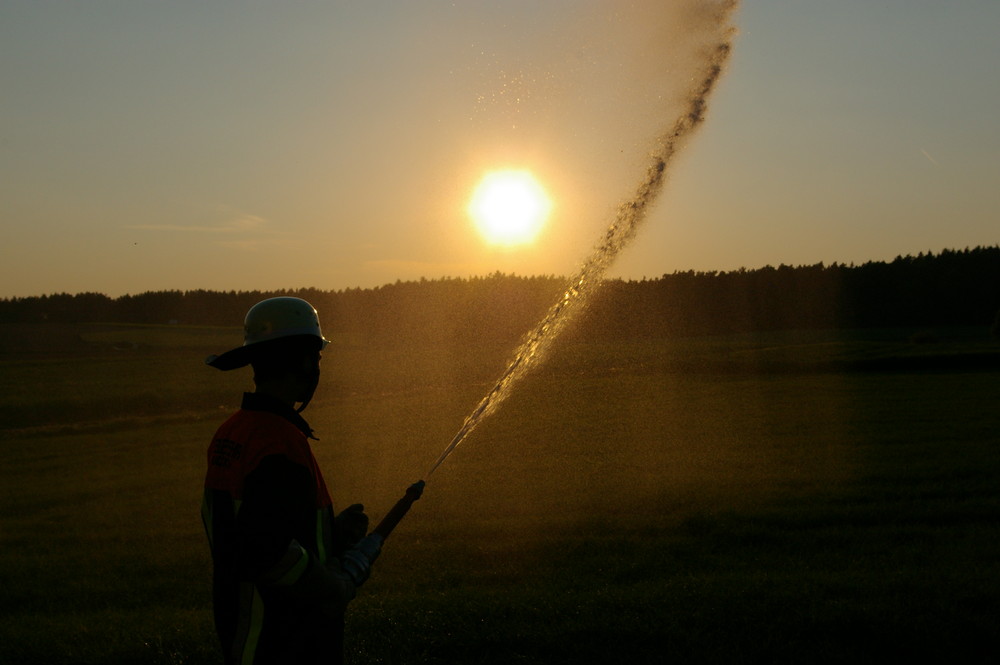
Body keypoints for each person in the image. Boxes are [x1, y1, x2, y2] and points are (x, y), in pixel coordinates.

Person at [201, 296, 382, 665]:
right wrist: (333, 586)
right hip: (284, 641)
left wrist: (331, 534)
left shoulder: (233, 432)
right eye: (316, 357)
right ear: (301, 359)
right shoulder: (279, 442)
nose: (318, 367)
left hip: (246, 633)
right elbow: (265, 552)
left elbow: (256, 527)